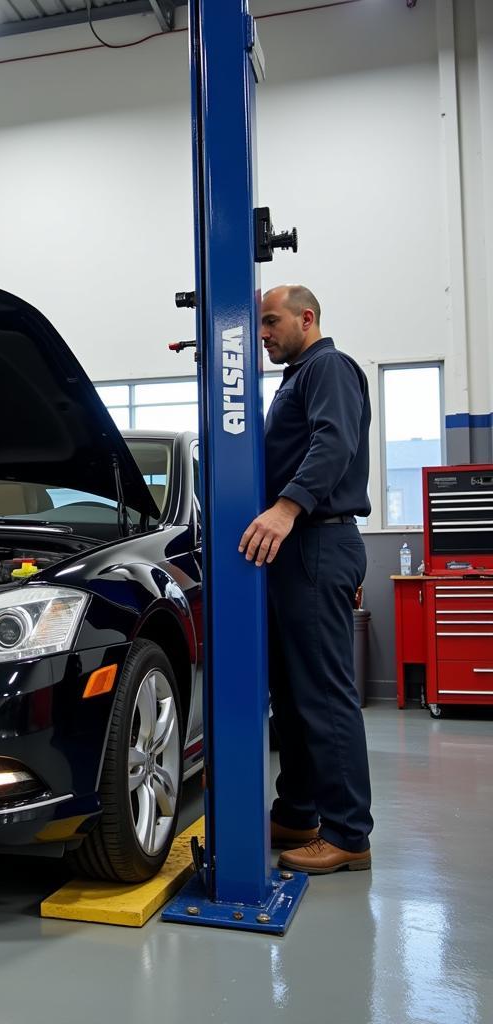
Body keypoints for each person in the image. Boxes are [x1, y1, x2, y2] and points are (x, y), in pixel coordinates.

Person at [239, 285, 373, 874]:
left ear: (307, 318)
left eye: (271, 322)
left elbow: (334, 442)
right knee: (293, 696)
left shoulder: (329, 367)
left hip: (316, 538)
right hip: (298, 547)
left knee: (323, 694)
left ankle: (348, 835)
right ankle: (297, 813)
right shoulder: (298, 376)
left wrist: (286, 507)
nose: (263, 334)